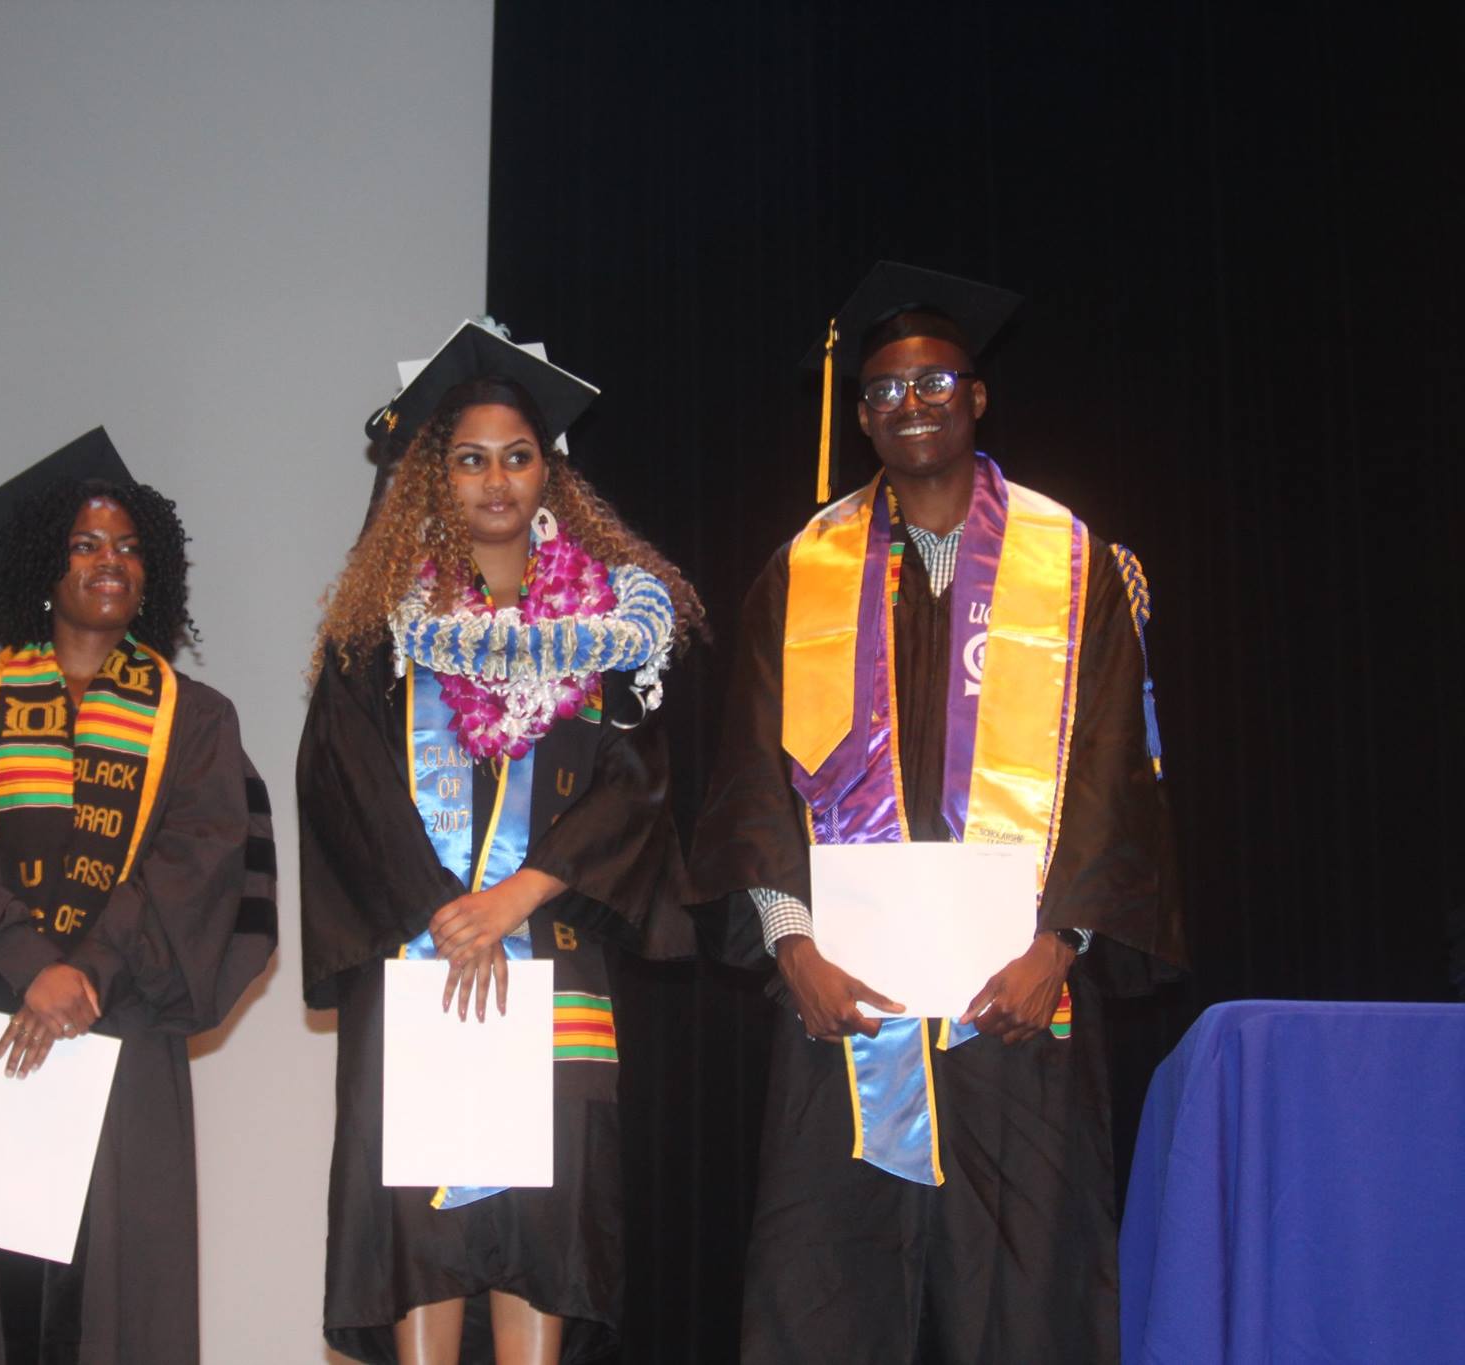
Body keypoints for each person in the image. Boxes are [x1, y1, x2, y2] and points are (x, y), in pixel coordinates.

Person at [689, 264, 1185, 1364]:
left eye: (932, 382)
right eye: (881, 391)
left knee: (1026, 1297)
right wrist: (792, 948)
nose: (908, 405)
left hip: (1015, 1006)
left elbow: (1112, 775)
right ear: (858, 415)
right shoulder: (801, 571)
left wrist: (1059, 946)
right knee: (826, 1295)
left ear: (975, 397)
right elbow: (751, 780)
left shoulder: (1072, 563)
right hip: (841, 1012)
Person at [300, 321, 700, 1365]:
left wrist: (521, 892)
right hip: (415, 958)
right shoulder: (376, 629)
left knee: (544, 1224)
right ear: (437, 476)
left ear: (547, 473)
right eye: (469, 458)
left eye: (515, 457)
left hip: (552, 958)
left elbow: (635, 782)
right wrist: (441, 910)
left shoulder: (607, 630)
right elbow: (342, 780)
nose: (494, 480)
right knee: (416, 1229)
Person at [0, 427, 276, 1365]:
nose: (110, 562)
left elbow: (201, 864)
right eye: (85, 543)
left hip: (120, 1036)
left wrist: (91, 971)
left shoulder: (196, 723)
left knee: (105, 1306)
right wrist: (33, 965)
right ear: (41, 563)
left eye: (128, 546)